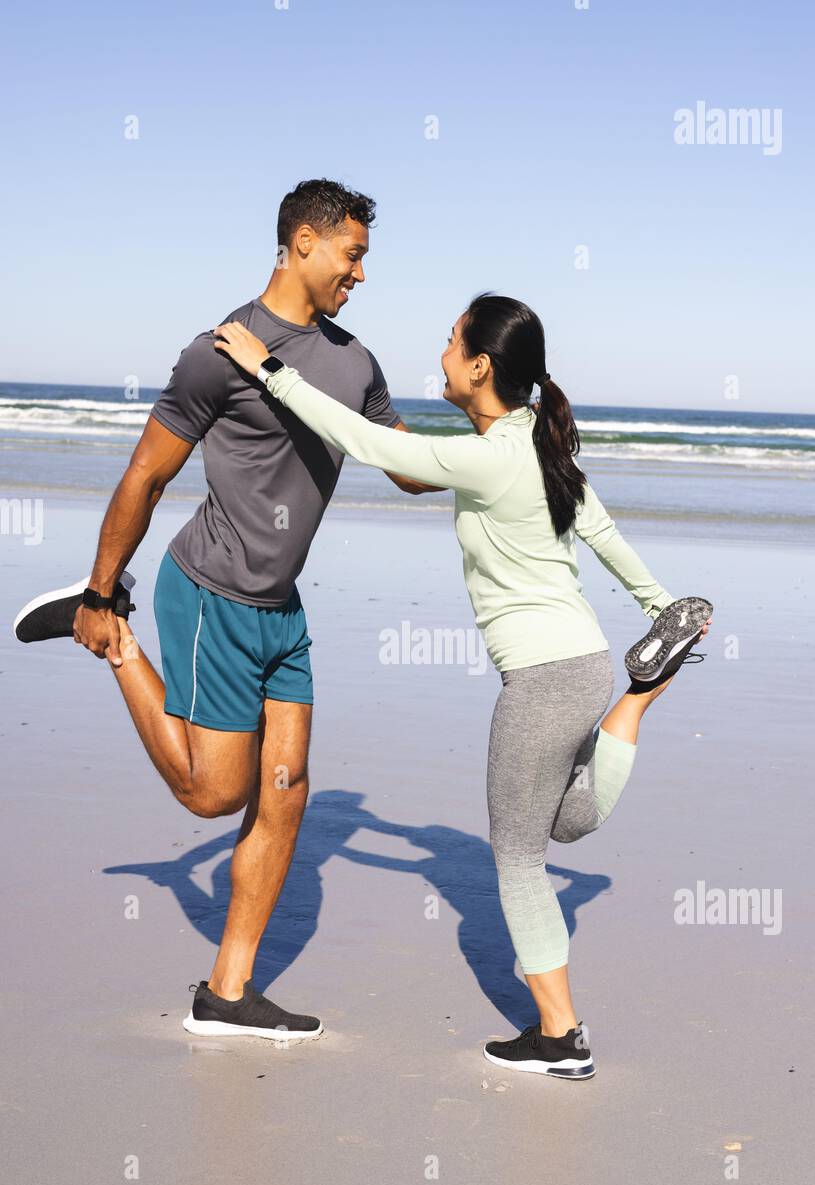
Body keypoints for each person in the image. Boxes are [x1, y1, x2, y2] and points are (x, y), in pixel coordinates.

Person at [211, 295, 713, 1080]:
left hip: (542, 678)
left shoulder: (489, 457)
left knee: (515, 861)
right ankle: (637, 695)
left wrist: (267, 368)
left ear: (480, 367)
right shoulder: (537, 449)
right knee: (568, 823)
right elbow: (602, 535)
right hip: (580, 661)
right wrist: (656, 605)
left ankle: (559, 1035)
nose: (440, 353)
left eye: (450, 343)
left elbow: (363, 440)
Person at [13, 178, 432, 1042]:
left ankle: (226, 993)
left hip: (281, 610)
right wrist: (100, 587)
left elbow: (405, 466)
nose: (360, 274)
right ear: (304, 243)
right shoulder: (219, 350)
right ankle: (112, 637)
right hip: (207, 592)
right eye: (352, 254)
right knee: (214, 796)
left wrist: (497, 435)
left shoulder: (355, 362)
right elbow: (146, 473)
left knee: (285, 793)